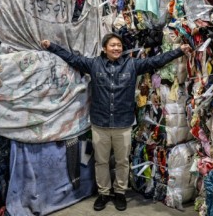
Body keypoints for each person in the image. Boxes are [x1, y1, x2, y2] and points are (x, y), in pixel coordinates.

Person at [41, 32, 192, 212]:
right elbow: (72, 59)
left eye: (119, 45)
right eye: (112, 45)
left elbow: (156, 61)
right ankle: (104, 193)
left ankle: (120, 193)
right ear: (105, 49)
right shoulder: (94, 64)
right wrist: (51, 46)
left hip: (123, 123)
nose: (116, 48)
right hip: (100, 124)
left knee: (122, 162)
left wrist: (179, 51)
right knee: (101, 161)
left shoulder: (132, 65)